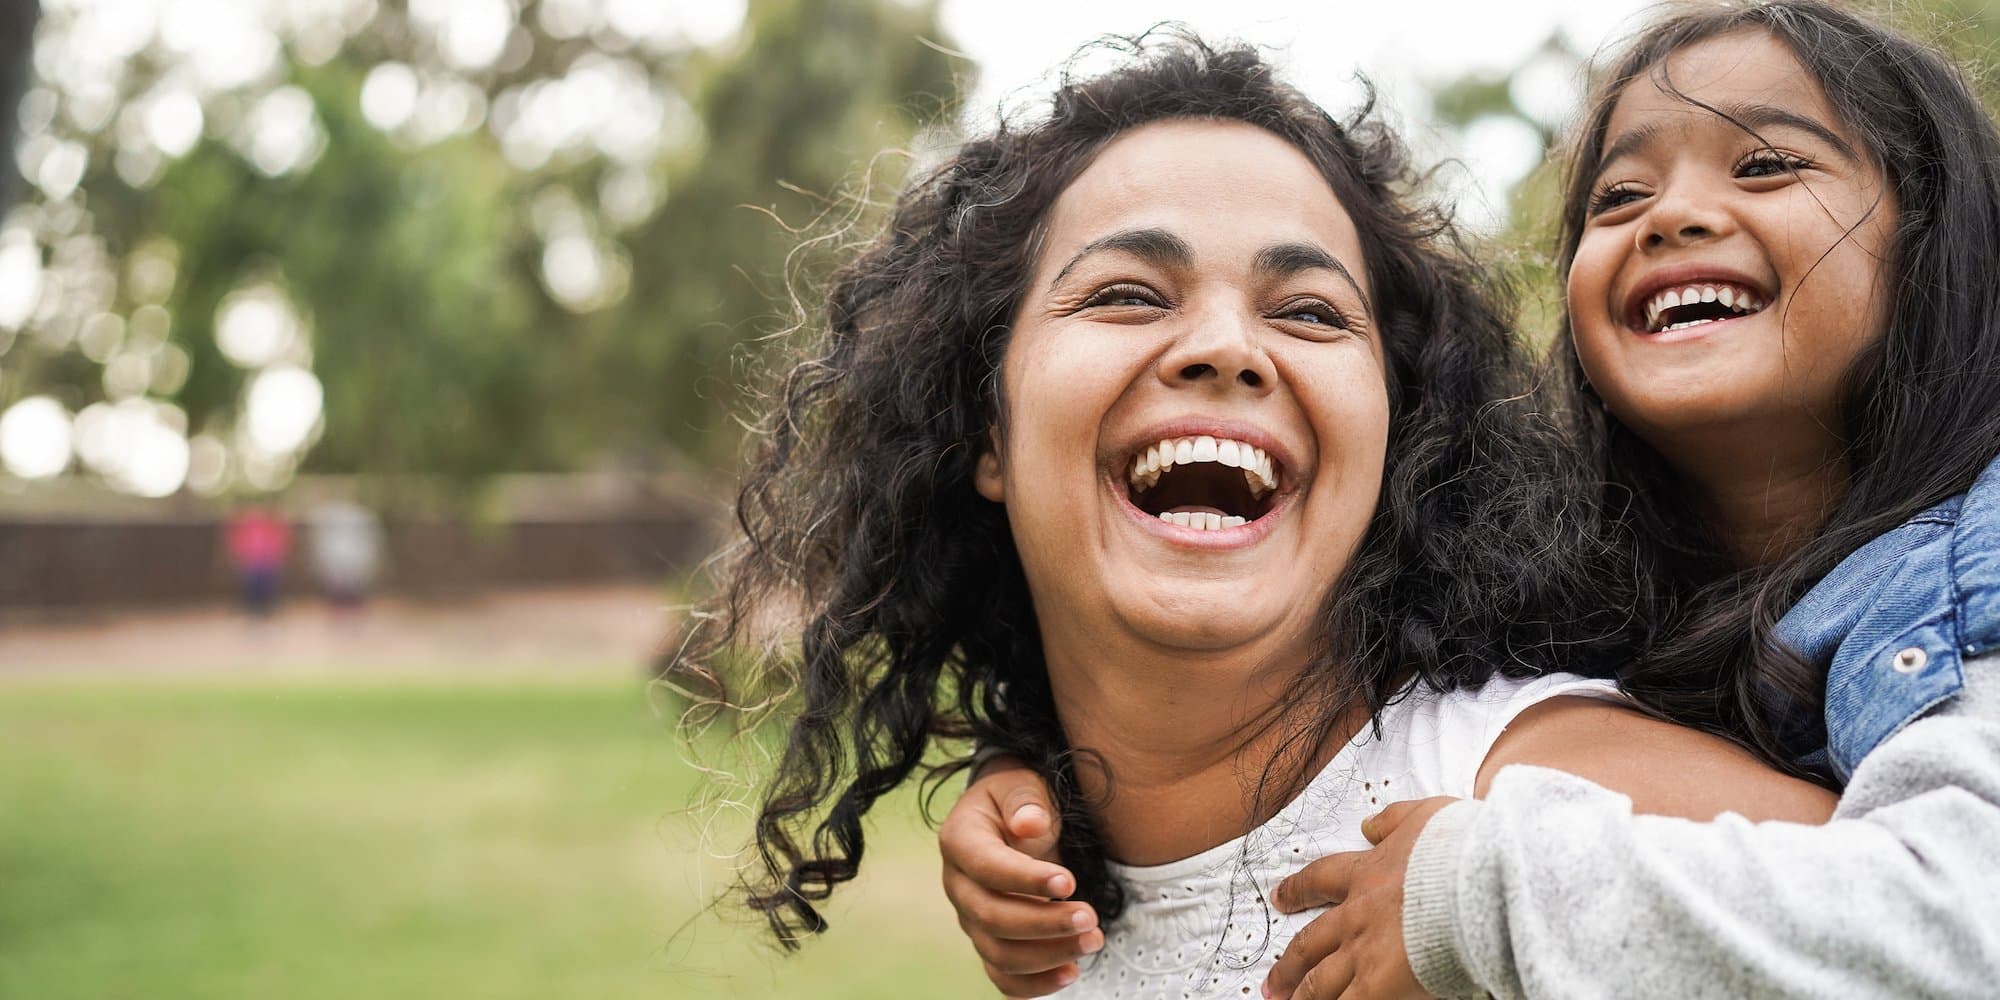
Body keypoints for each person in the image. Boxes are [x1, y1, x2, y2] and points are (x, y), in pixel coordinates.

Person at [668, 32, 1832, 1000]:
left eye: (1311, 312)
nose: (1227, 347)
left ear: (1396, 434)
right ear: (985, 432)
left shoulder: (1526, 795)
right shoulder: (1051, 884)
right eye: (1127, 293)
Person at [943, 3, 2000, 998]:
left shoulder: (1965, 578)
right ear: (982, 426)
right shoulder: (1631, 610)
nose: (1671, 215)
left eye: (1309, 310)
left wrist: (1481, 892)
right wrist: (1042, 770)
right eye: (1615, 198)